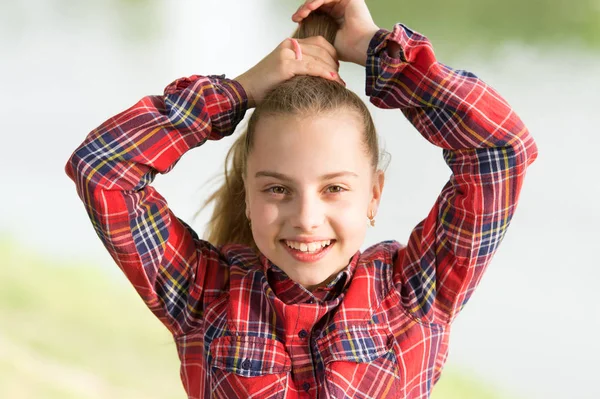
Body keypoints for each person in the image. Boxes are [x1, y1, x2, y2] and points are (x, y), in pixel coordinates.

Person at [65, 0, 538, 397]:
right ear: (248, 194)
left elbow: (500, 148)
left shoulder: (417, 292)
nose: (306, 218)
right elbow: (103, 169)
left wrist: (378, 51)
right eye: (277, 189)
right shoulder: (201, 294)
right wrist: (237, 91)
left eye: (334, 188)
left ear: (373, 194)